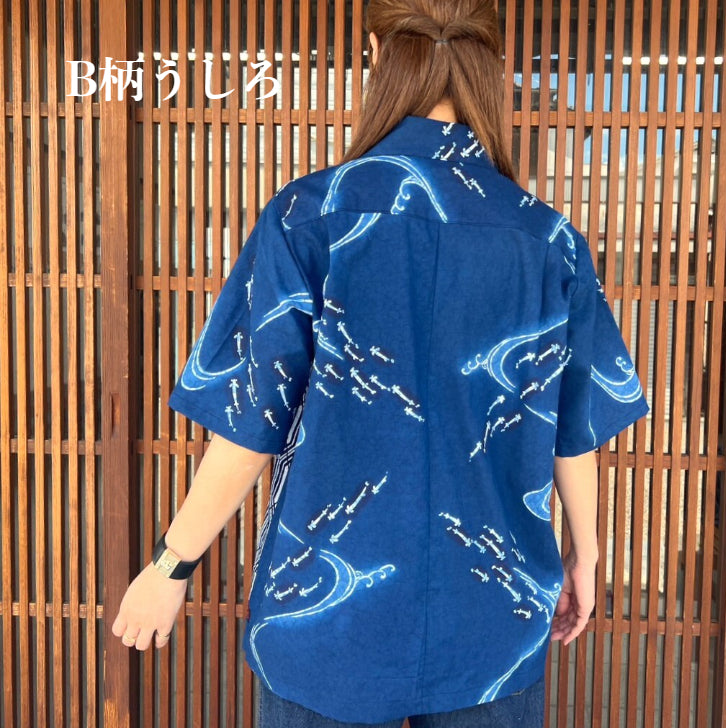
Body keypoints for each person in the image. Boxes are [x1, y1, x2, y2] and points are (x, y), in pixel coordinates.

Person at [111, 1, 651, 726]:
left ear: (377, 52)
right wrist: (586, 553)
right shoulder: (548, 240)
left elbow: (250, 422)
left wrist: (171, 563)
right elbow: (573, 423)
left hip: (325, 620)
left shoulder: (309, 215)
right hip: (491, 616)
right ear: (491, 64)